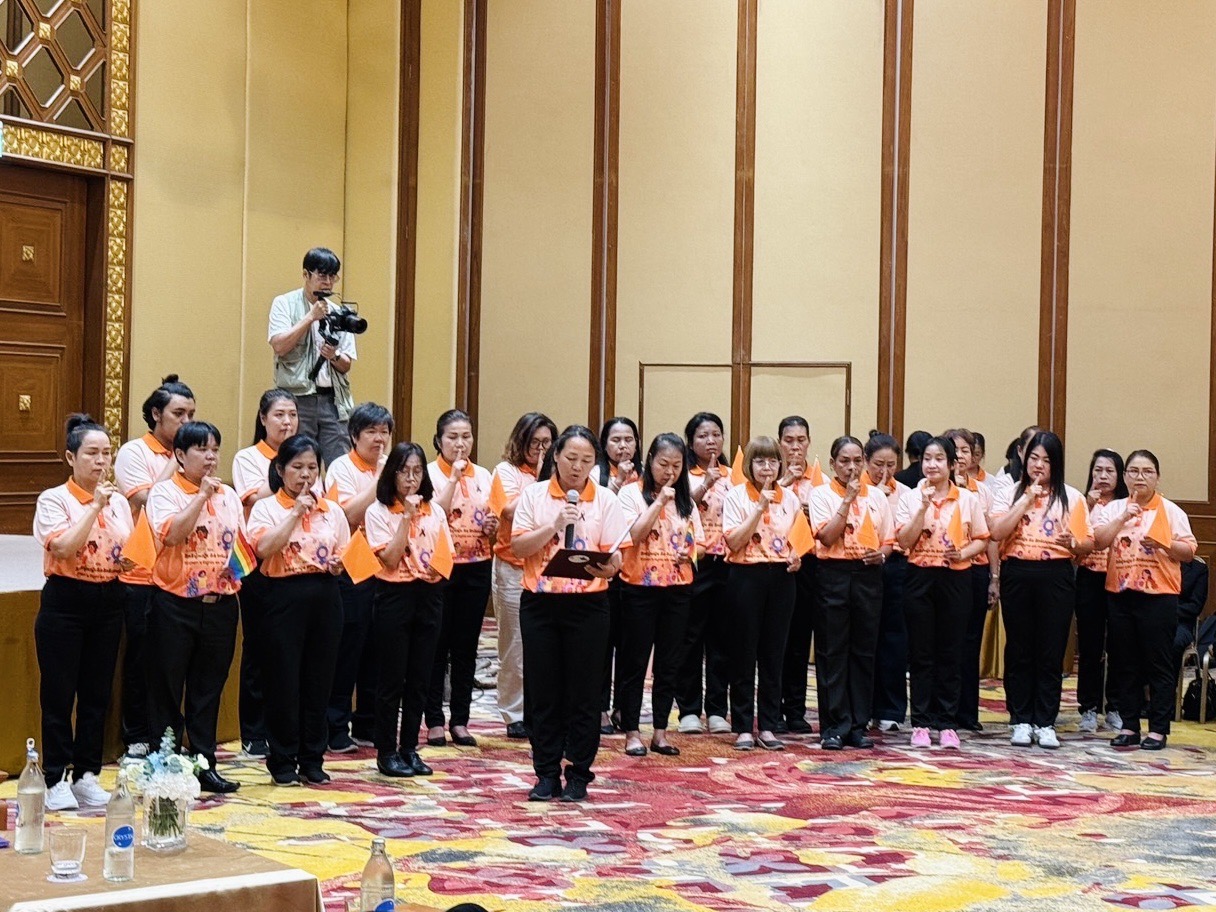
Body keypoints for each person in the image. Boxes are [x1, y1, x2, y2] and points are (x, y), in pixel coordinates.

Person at [511, 426, 630, 802]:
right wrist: (554, 525)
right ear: (556, 457)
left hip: (588, 606)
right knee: (543, 690)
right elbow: (518, 547)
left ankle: (579, 773)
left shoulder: (606, 499)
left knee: (585, 692)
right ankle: (546, 772)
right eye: (571, 458)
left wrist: (609, 567)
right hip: (540, 604)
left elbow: (616, 555)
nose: (578, 467)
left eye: (586, 461)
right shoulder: (534, 495)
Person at [34, 415, 133, 810]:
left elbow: (127, 548)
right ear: (70, 457)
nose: (101, 461)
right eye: (92, 453)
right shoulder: (54, 499)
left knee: (97, 693)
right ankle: (55, 777)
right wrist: (94, 508)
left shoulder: (119, 502)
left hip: (109, 600)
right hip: (66, 601)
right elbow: (63, 547)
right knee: (59, 694)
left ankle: (86, 775)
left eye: (106, 453)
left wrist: (130, 561)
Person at [144, 421, 245, 793]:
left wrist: (233, 578)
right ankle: (166, 764)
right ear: (180, 455)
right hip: (175, 604)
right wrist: (201, 497)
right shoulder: (165, 493)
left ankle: (205, 763)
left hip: (221, 605)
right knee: (167, 688)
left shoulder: (229, 495)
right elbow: (172, 535)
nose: (211, 457)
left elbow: (241, 546)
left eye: (215, 449)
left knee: (208, 688)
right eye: (202, 449)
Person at [247, 435, 349, 785]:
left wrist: (338, 564)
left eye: (312, 468)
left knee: (319, 680)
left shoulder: (332, 510)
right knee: (283, 680)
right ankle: (282, 759)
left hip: (325, 595)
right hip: (282, 597)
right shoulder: (267, 508)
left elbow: (345, 551)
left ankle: (312, 758)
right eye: (297, 467)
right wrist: (295, 513)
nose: (306, 475)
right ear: (280, 470)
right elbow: (263, 548)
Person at [989, 430, 1092, 749]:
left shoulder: (1072, 497)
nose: (1038, 465)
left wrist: (1073, 543)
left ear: (1056, 463)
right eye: (1034, 458)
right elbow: (996, 532)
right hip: (1018, 571)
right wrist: (1025, 500)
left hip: (1056, 575)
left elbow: (1088, 543)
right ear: (1024, 458)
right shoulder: (1008, 492)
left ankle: (1045, 722)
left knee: (1050, 649)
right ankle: (1020, 719)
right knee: (1020, 648)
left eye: (1046, 460)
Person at [112, 375, 196, 759]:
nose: (186, 420)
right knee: (141, 658)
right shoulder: (134, 452)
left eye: (191, 414)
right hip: (141, 572)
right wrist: (178, 460)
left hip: (180, 574)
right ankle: (136, 735)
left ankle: (168, 735)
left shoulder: (193, 454)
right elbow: (147, 500)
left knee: (173, 662)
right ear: (156, 414)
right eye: (179, 414)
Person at [1094, 450, 1198, 750]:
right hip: (1120, 594)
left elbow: (1189, 552)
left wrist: (1165, 544)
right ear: (1125, 477)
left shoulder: (1171, 511)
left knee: (1158, 664)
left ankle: (1158, 729)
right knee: (1124, 663)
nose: (1140, 477)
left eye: (1147, 472)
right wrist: (1123, 517)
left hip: (1159, 596)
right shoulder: (1114, 508)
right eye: (1134, 471)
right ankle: (1129, 726)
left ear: (1157, 477)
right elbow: (1099, 541)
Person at [365, 443, 454, 777]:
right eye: (404, 471)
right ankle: (386, 751)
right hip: (394, 595)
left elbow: (446, 553)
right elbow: (389, 558)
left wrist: (438, 572)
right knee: (392, 678)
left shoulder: (435, 510)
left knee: (420, 677)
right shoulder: (379, 511)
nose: (411, 478)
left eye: (417, 471)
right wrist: (406, 516)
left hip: (429, 595)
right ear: (392, 474)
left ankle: (410, 749)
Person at [895, 436, 990, 749]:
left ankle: (947, 723)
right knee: (921, 652)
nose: (932, 465)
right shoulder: (910, 497)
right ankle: (921, 723)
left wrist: (964, 554)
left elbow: (982, 538)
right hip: (919, 577)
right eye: (927, 458)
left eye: (939, 459)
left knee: (951, 651)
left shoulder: (967, 499)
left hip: (956, 577)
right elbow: (904, 542)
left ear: (952, 465)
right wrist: (922, 507)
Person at [615, 433, 704, 756]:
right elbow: (635, 534)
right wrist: (659, 503)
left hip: (677, 589)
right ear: (650, 460)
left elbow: (698, 543)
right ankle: (631, 732)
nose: (670, 472)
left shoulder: (686, 501)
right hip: (639, 588)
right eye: (663, 464)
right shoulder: (630, 494)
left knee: (669, 663)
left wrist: (689, 554)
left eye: (677, 466)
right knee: (635, 662)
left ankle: (661, 732)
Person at [722, 436, 807, 751]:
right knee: (744, 653)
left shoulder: (791, 498)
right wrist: (759, 507)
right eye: (760, 461)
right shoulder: (736, 495)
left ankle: (769, 726)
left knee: (774, 654)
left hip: (781, 579)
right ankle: (743, 726)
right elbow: (734, 542)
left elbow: (799, 539)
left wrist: (797, 556)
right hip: (746, 577)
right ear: (749, 465)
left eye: (772, 461)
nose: (767, 467)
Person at [809, 436, 893, 750]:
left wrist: (881, 555)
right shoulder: (821, 494)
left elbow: (888, 540)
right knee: (832, 651)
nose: (852, 467)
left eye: (858, 461)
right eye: (845, 461)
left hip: (868, 576)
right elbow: (827, 537)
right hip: (833, 574)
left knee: (863, 651)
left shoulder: (877, 496)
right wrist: (846, 501)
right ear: (833, 464)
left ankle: (858, 724)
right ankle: (834, 725)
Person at [230, 389, 299, 759]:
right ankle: (253, 731)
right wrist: (289, 471)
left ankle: (287, 728)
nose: (287, 422)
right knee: (258, 646)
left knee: (291, 650)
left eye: (292, 415)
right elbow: (256, 498)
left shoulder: (306, 455)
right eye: (279, 415)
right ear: (263, 419)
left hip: (298, 565)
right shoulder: (248, 458)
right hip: (258, 560)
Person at [425, 410, 496, 749]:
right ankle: (434, 721)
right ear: (438, 440)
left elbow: (493, 516)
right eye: (452, 437)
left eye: (466, 436)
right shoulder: (428, 474)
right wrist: (453, 478)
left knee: (466, 646)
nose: (460, 443)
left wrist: (493, 526)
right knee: (437, 645)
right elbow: (433, 513)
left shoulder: (484, 475)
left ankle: (460, 720)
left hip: (477, 565)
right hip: (440, 567)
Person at [325, 402, 393, 753]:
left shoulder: (392, 465)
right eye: (371, 432)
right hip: (352, 567)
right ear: (354, 436)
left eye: (384, 432)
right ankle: (335, 726)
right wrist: (380, 479)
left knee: (378, 650)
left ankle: (369, 722)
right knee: (347, 650)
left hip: (388, 568)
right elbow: (347, 515)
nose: (379, 439)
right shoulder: (342, 467)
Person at [488, 412, 557, 739]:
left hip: (549, 570)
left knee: (545, 644)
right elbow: (509, 512)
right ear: (521, 441)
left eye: (547, 443)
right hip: (513, 566)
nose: (541, 449)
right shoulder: (506, 471)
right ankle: (514, 712)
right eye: (534, 442)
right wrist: (544, 480)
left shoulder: (559, 475)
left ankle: (539, 709)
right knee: (514, 645)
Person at [267, 247, 357, 465]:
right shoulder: (284, 303)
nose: (328, 282)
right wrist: (310, 317)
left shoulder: (338, 312)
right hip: (297, 399)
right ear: (306, 274)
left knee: (340, 463)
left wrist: (334, 356)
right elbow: (279, 345)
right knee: (299, 461)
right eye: (322, 276)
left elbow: (346, 365)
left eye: (332, 277)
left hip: (333, 400)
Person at [675, 412, 732, 735]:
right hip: (695, 563)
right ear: (691, 441)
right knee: (691, 637)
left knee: (722, 639)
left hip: (727, 563)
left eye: (716, 434)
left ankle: (717, 710)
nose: (711, 441)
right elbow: (681, 507)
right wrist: (706, 483)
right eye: (702, 436)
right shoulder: (682, 474)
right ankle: (688, 710)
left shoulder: (734, 475)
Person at [943, 428, 997, 733]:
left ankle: (967, 711)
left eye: (965, 450)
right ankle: (941, 710)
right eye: (955, 451)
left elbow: (989, 539)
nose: (961, 456)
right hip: (943, 571)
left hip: (975, 571)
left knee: (969, 640)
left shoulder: (982, 491)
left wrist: (994, 578)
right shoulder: (931, 488)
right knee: (943, 641)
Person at [775, 416, 825, 735]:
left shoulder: (820, 481)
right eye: (789, 440)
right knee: (774, 641)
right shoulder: (768, 476)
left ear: (809, 442)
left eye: (801, 440)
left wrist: (810, 512)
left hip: (808, 564)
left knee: (798, 639)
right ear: (780, 443)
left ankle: (795, 710)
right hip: (775, 563)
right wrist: (783, 484)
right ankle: (771, 709)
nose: (795, 447)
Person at [1074, 449, 1128, 733]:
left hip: (1120, 579)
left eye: (1109, 471)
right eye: (1098, 470)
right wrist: (1087, 504)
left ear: (1119, 476)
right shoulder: (1081, 504)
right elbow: (1072, 543)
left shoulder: (1127, 506)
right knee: (1090, 646)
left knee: (1119, 644)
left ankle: (1115, 706)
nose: (1103, 476)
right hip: (1089, 579)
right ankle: (1088, 708)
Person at [594, 416, 640, 734]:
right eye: (616, 440)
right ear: (604, 444)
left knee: (630, 645)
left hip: (636, 574)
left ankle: (625, 707)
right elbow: (596, 513)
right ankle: (599, 708)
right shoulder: (596, 473)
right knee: (603, 644)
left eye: (629, 440)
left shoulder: (645, 475)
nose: (623, 446)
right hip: (605, 570)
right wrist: (618, 481)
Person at [862, 432, 912, 731]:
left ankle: (890, 709)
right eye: (878, 464)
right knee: (864, 638)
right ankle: (863, 707)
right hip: (863, 565)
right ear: (866, 461)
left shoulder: (906, 493)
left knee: (894, 639)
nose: (884, 471)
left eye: (891, 465)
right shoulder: (856, 490)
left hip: (895, 567)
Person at [1176, 558, 1209, 674]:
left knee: (1175, 641)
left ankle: (1169, 683)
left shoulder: (1198, 569)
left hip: (1180, 622)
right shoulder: (1154, 564)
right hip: (1150, 618)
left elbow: (1195, 607)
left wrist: (1168, 612)